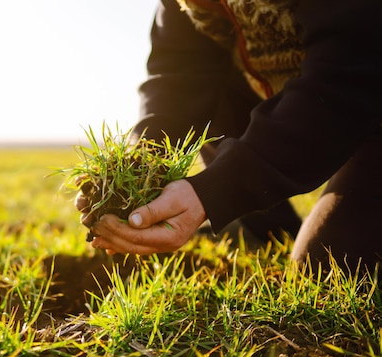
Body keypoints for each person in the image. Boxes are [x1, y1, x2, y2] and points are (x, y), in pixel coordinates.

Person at [76, 0, 382, 273]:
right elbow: (178, 76)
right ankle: (271, 232)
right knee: (216, 90)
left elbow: (347, 75)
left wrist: (213, 191)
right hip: (326, 97)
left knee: (329, 269)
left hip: (363, 99)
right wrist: (142, 162)